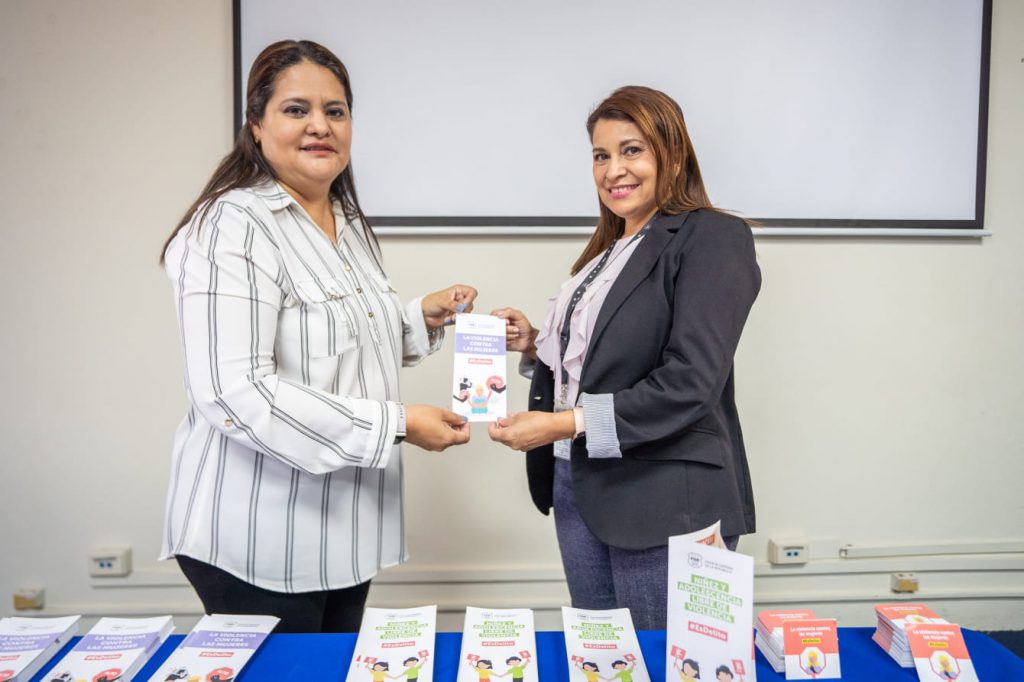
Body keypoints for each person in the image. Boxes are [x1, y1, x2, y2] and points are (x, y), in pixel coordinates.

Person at [158, 39, 474, 633]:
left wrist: (418, 319)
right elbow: (233, 392)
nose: (320, 126)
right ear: (256, 125)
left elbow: (331, 346)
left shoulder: (343, 221)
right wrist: (398, 424)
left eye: (335, 111)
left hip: (345, 529)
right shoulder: (232, 225)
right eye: (296, 109)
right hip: (260, 536)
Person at [489, 86, 760, 630]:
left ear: (673, 154)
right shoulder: (607, 252)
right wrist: (534, 343)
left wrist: (564, 423)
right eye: (601, 155)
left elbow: (690, 382)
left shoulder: (712, 236)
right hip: (578, 481)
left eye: (631, 150)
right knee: (604, 655)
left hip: (663, 498)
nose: (613, 170)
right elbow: (605, 359)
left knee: (664, 660)